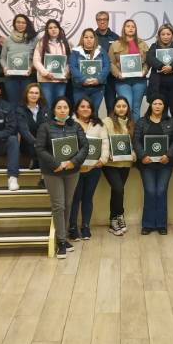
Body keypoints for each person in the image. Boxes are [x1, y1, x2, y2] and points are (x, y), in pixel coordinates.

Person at [35, 96, 89, 258]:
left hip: (72, 171)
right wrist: (55, 164)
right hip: (53, 172)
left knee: (67, 203)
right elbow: (40, 148)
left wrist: (74, 162)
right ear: (54, 110)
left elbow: (85, 146)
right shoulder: (45, 127)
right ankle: (61, 241)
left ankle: (63, 237)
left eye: (65, 107)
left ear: (69, 110)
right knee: (58, 205)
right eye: (59, 107)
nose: (62, 110)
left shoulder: (76, 126)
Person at [134, 94, 173, 235]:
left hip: (165, 163)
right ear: (151, 105)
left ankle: (161, 224)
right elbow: (136, 140)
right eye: (155, 103)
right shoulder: (142, 122)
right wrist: (142, 156)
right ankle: (147, 224)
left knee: (161, 191)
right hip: (146, 164)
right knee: (150, 191)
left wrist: (168, 155)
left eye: (160, 104)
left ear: (164, 106)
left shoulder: (171, 121)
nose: (157, 106)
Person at [69, 98, 109, 241]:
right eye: (82, 106)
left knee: (88, 198)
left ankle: (85, 226)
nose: (85, 109)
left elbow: (105, 143)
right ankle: (72, 227)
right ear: (77, 108)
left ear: (92, 109)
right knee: (75, 199)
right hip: (75, 169)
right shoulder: (70, 123)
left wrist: (103, 159)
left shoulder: (99, 124)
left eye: (88, 107)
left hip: (94, 168)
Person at [103, 96, 136, 236]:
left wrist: (134, 152)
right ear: (114, 108)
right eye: (118, 106)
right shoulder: (107, 121)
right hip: (110, 163)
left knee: (118, 191)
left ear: (128, 108)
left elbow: (133, 143)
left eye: (124, 106)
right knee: (118, 188)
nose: (121, 109)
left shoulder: (132, 123)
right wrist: (108, 152)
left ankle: (115, 219)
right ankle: (117, 216)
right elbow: (103, 141)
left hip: (126, 163)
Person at [147, 23, 173, 119]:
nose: (165, 37)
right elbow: (149, 57)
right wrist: (162, 66)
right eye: (163, 34)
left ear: (172, 35)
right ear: (159, 35)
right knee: (161, 113)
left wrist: (172, 66)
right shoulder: (154, 46)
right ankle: (162, 133)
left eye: (168, 34)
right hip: (159, 87)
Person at [108, 19, 149, 121]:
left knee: (136, 108)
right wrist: (117, 74)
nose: (130, 28)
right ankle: (125, 133)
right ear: (124, 29)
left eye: (133, 26)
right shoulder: (115, 44)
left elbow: (149, 61)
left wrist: (145, 71)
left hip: (139, 80)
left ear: (135, 29)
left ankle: (135, 134)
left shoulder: (142, 44)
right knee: (127, 106)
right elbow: (110, 62)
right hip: (122, 81)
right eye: (128, 26)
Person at [69, 27, 110, 114]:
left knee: (94, 113)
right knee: (80, 113)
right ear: (82, 38)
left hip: (97, 88)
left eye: (91, 37)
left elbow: (106, 66)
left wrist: (98, 79)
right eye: (86, 37)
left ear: (95, 39)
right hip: (80, 88)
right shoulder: (75, 52)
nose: (89, 40)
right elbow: (73, 67)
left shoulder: (101, 51)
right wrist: (84, 79)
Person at [33, 18, 71, 110]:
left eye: (55, 27)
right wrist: (45, 73)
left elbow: (69, 61)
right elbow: (36, 60)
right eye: (50, 28)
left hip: (61, 80)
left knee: (59, 106)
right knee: (48, 106)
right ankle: (48, 124)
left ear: (59, 29)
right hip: (46, 81)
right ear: (47, 30)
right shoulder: (41, 43)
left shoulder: (66, 43)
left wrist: (66, 72)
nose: (53, 29)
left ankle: (58, 124)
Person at [1, 14, 38, 109]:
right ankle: (14, 124)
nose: (20, 24)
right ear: (14, 24)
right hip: (11, 78)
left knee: (27, 104)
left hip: (28, 77)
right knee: (13, 104)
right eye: (18, 22)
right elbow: (3, 58)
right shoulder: (8, 40)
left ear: (27, 24)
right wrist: (5, 67)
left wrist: (31, 67)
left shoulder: (33, 39)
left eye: (23, 22)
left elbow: (37, 58)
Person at [16, 82, 48, 170]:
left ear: (40, 95)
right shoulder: (19, 110)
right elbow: (24, 130)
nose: (33, 95)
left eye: (36, 93)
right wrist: (36, 143)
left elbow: (47, 127)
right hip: (28, 143)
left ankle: (38, 162)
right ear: (26, 94)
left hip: (42, 142)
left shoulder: (45, 108)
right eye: (31, 92)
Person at [95, 11, 120, 114]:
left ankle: (111, 129)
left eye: (104, 19)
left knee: (111, 107)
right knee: (93, 107)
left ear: (108, 21)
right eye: (99, 20)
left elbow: (120, 57)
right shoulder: (91, 36)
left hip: (111, 78)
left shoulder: (115, 37)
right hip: (96, 77)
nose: (102, 22)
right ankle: (92, 130)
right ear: (96, 21)